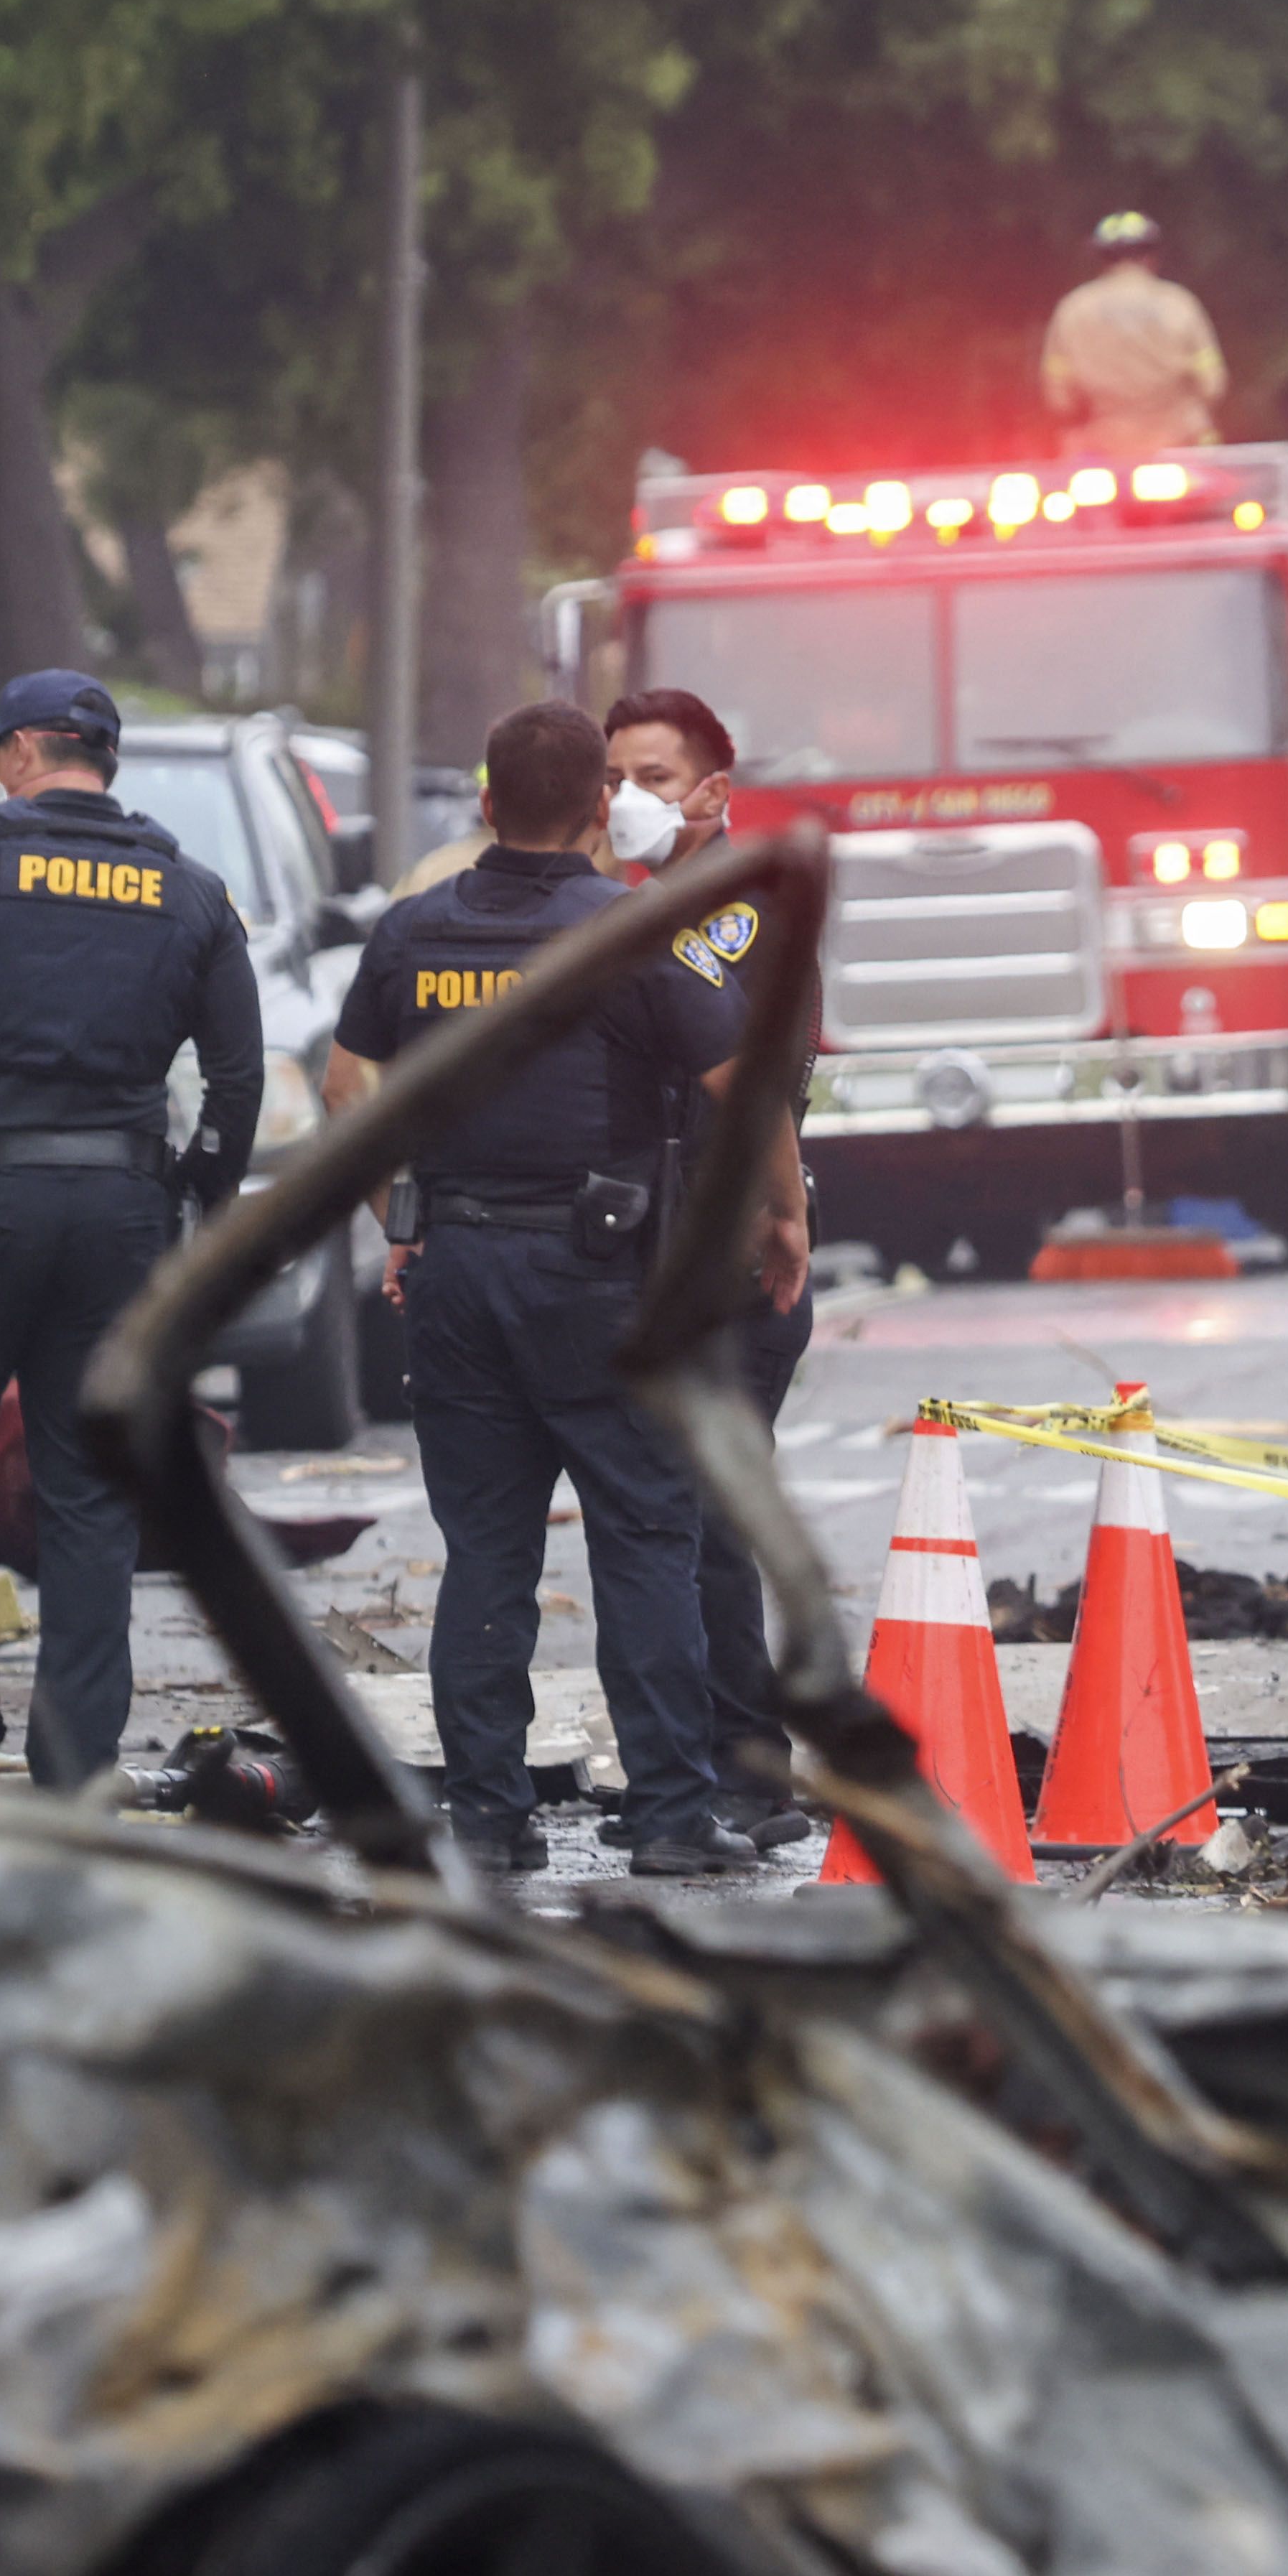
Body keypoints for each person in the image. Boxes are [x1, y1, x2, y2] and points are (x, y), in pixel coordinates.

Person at [330, 700, 778, 1881]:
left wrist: (403, 1225)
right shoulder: (637, 930)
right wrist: (781, 1222)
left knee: (485, 1551)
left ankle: (487, 1815)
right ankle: (674, 1815)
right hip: (600, 1278)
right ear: (597, 810)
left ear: (484, 806)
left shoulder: (413, 932)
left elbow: (345, 1091)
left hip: (459, 1273)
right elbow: (747, 1086)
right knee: (644, 1534)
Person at [0, 667, 268, 1790]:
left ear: (25, 751)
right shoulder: (194, 893)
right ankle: (75, 1752)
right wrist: (195, 1200)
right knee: (88, 1479)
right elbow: (238, 1076)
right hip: (124, 1217)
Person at [605, 684, 821, 1851]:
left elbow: (742, 1080)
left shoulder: (732, 912)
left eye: (650, 778)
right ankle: (706, 1761)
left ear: (712, 794)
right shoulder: (644, 903)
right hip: (658, 1245)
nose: (625, 802)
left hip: (732, 1250)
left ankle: (747, 1772)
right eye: (611, 779)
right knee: (673, 1511)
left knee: (705, 1511)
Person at [1040, 211, 1227, 462]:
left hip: (1102, 446)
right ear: (1151, 256)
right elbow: (1213, 384)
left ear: (1102, 258)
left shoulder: (1074, 309)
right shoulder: (1179, 303)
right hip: (1178, 443)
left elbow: (1058, 398)